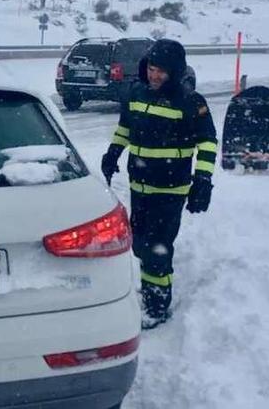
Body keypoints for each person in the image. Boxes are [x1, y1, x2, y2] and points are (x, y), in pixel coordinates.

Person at [101, 39, 216, 329]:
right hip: (140, 186)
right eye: (152, 69)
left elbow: (208, 142)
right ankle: (151, 288)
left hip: (171, 189)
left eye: (161, 72)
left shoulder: (192, 102)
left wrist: (203, 180)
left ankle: (157, 305)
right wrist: (113, 152)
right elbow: (125, 127)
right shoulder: (136, 93)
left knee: (157, 248)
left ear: (174, 72)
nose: (154, 76)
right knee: (139, 245)